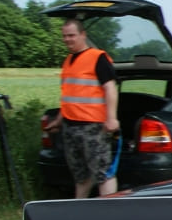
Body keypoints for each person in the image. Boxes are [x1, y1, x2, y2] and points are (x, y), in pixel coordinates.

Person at [50, 18, 120, 198]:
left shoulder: (97, 57)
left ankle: (109, 213)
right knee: (81, 176)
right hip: (70, 126)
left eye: (72, 35)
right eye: (64, 36)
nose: (67, 39)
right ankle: (79, 212)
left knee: (103, 172)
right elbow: (70, 94)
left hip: (93, 126)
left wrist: (111, 118)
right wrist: (58, 119)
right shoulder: (68, 61)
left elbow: (110, 88)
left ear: (83, 35)